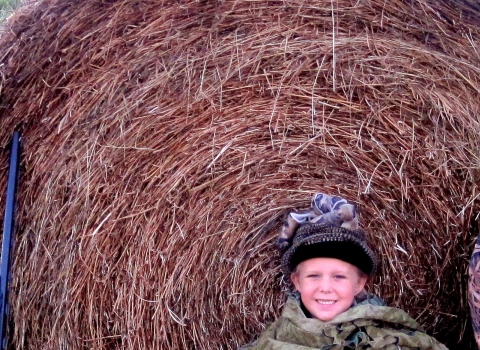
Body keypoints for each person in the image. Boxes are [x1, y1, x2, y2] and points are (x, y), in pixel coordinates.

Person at [241, 193, 448, 350]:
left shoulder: (391, 338)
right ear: (297, 281)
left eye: (338, 277)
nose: (325, 288)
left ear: (359, 283)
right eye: (313, 276)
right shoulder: (272, 339)